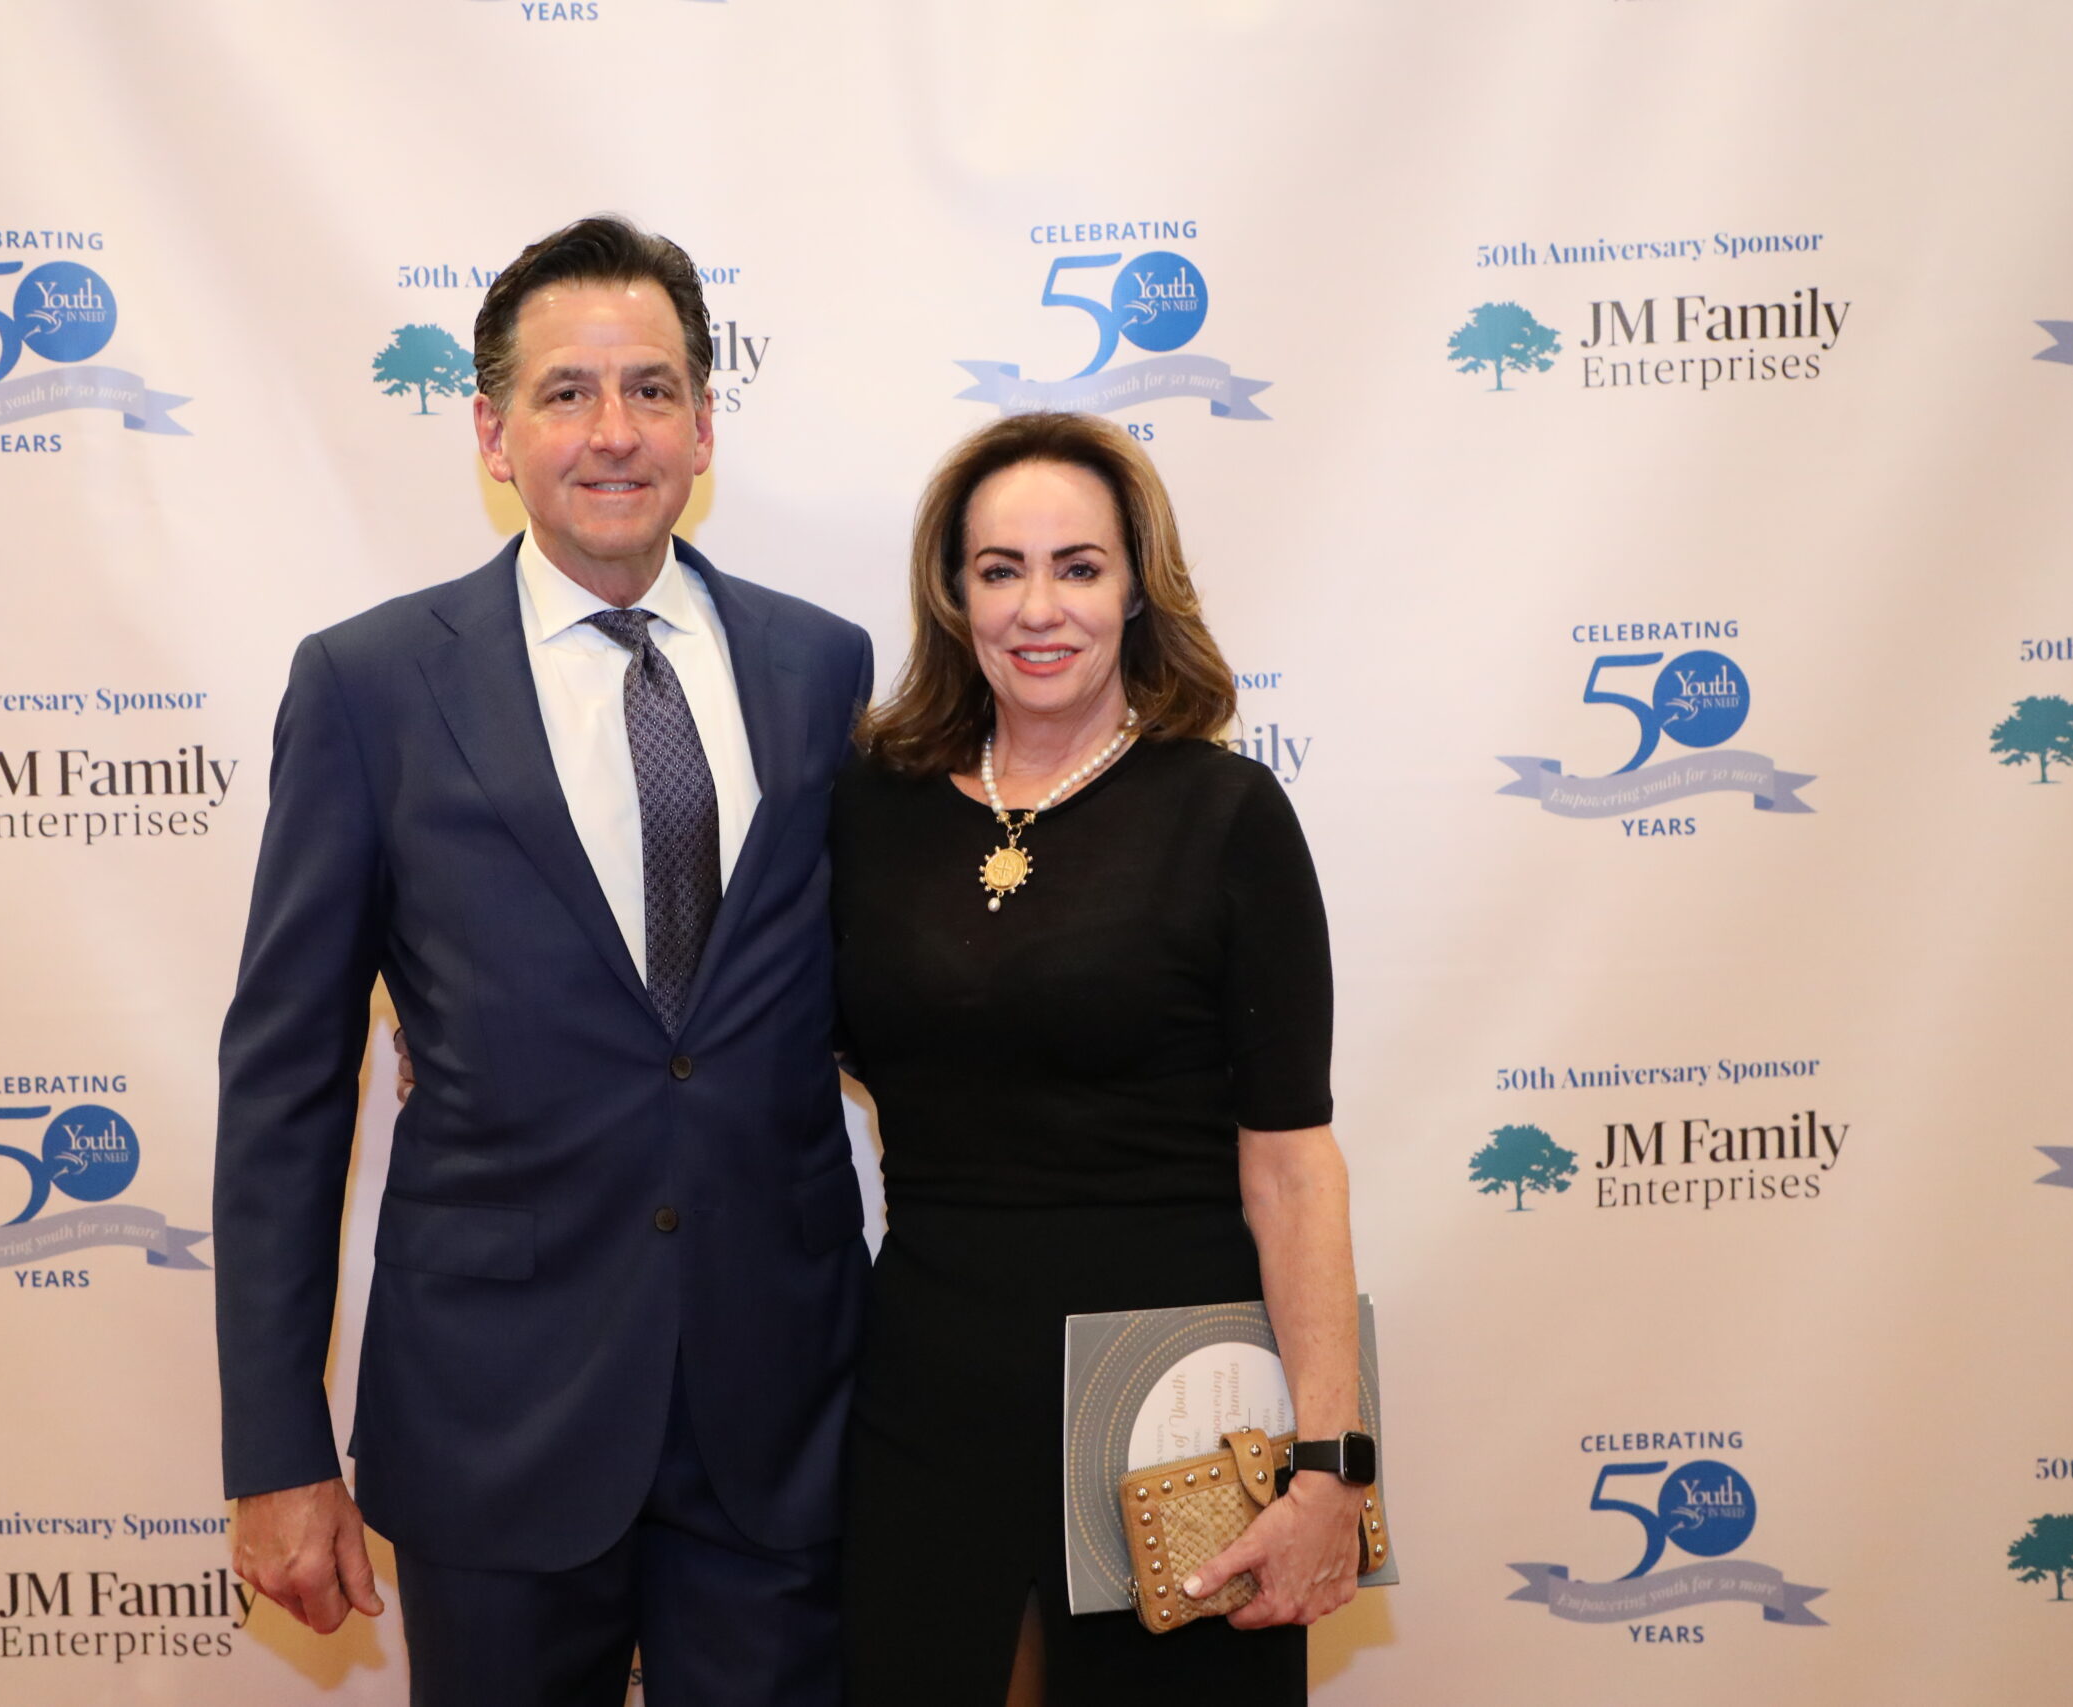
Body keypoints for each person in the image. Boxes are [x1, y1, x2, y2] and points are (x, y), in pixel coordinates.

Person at [214, 215, 873, 1707]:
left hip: (779, 1411)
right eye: (567, 392)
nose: (613, 431)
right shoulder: (371, 686)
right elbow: (286, 1087)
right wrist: (276, 1447)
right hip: (494, 1415)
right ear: (492, 434)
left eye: (651, 390)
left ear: (705, 425)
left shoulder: (822, 666)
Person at [833, 412, 1368, 1705]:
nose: (1039, 608)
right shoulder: (871, 810)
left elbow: (1293, 1169)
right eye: (999, 570)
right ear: (954, 597)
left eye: (1078, 567)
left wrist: (1329, 1465)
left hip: (1174, 1412)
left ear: (1136, 589)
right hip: (929, 1398)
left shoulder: (1226, 815)